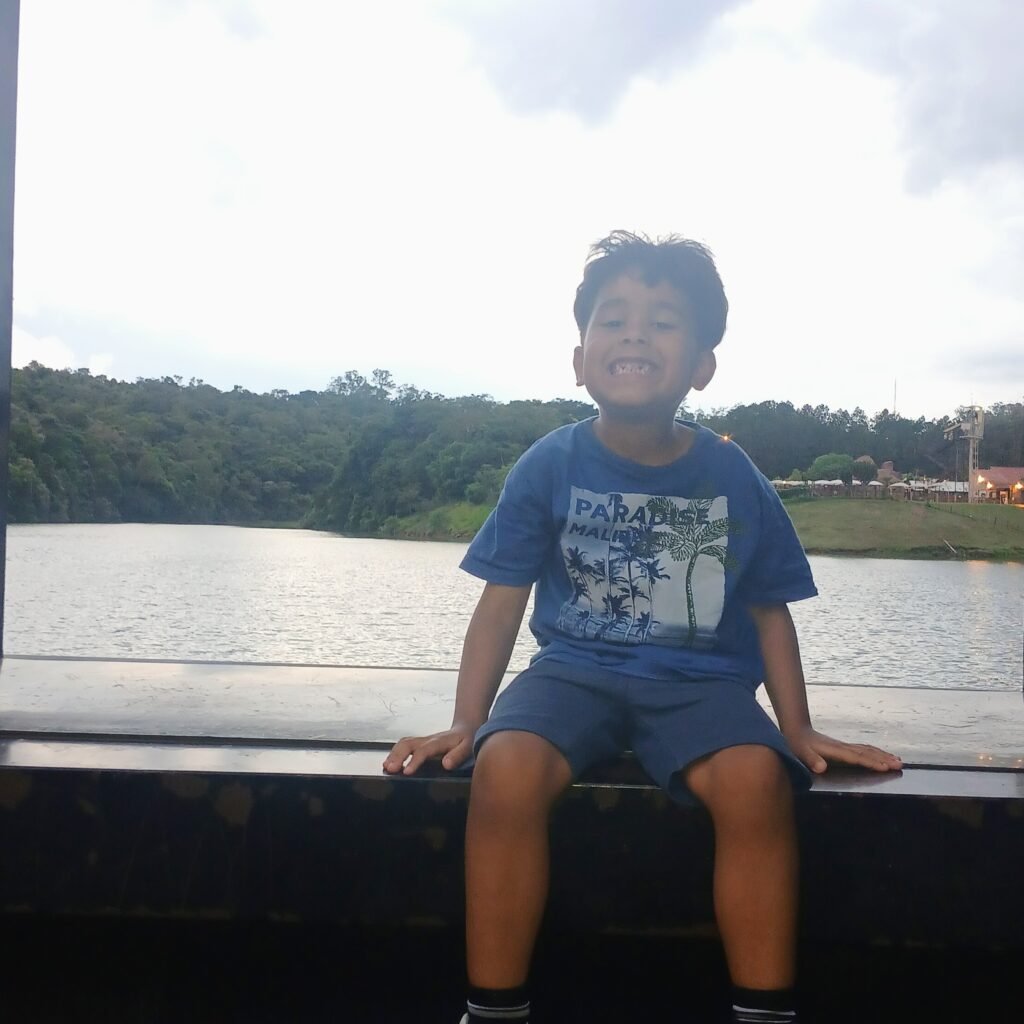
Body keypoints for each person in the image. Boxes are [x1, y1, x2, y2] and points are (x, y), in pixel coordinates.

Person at [383, 230, 902, 1024]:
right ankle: (492, 1010)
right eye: (613, 319)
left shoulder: (732, 474)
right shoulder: (549, 464)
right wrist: (467, 721)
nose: (633, 335)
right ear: (580, 358)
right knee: (505, 767)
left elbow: (769, 608)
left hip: (701, 685)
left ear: (701, 365)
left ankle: (765, 1013)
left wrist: (797, 729)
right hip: (571, 675)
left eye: (662, 322)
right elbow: (501, 602)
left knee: (757, 781)